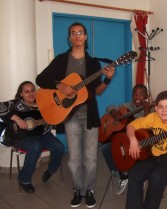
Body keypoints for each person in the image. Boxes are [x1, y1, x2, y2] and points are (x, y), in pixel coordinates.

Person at [36, 22, 115, 208]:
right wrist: (60, 85)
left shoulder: (94, 63)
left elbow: (98, 92)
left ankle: (89, 190)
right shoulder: (61, 60)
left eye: (80, 33)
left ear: (85, 37)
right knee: (74, 157)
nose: (77, 36)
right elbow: (41, 79)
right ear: (69, 38)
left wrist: (108, 79)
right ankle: (78, 190)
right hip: (68, 115)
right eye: (73, 33)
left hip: (89, 115)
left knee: (91, 157)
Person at [0, 81, 64, 193]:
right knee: (35, 146)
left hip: (42, 134)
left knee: (59, 147)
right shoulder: (16, 104)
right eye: (26, 92)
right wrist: (17, 119)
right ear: (21, 94)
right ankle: (24, 179)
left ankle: (50, 170)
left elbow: (53, 119)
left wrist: (56, 119)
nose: (31, 94)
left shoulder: (42, 104)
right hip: (20, 137)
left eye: (33, 90)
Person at [101, 83, 153, 194]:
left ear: (147, 96)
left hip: (142, 142)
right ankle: (122, 175)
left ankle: (136, 175)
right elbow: (109, 107)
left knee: (133, 153)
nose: (137, 97)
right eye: (134, 94)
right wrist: (114, 112)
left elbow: (146, 131)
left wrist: (147, 111)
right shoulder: (127, 106)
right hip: (125, 140)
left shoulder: (152, 109)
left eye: (140, 94)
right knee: (106, 149)